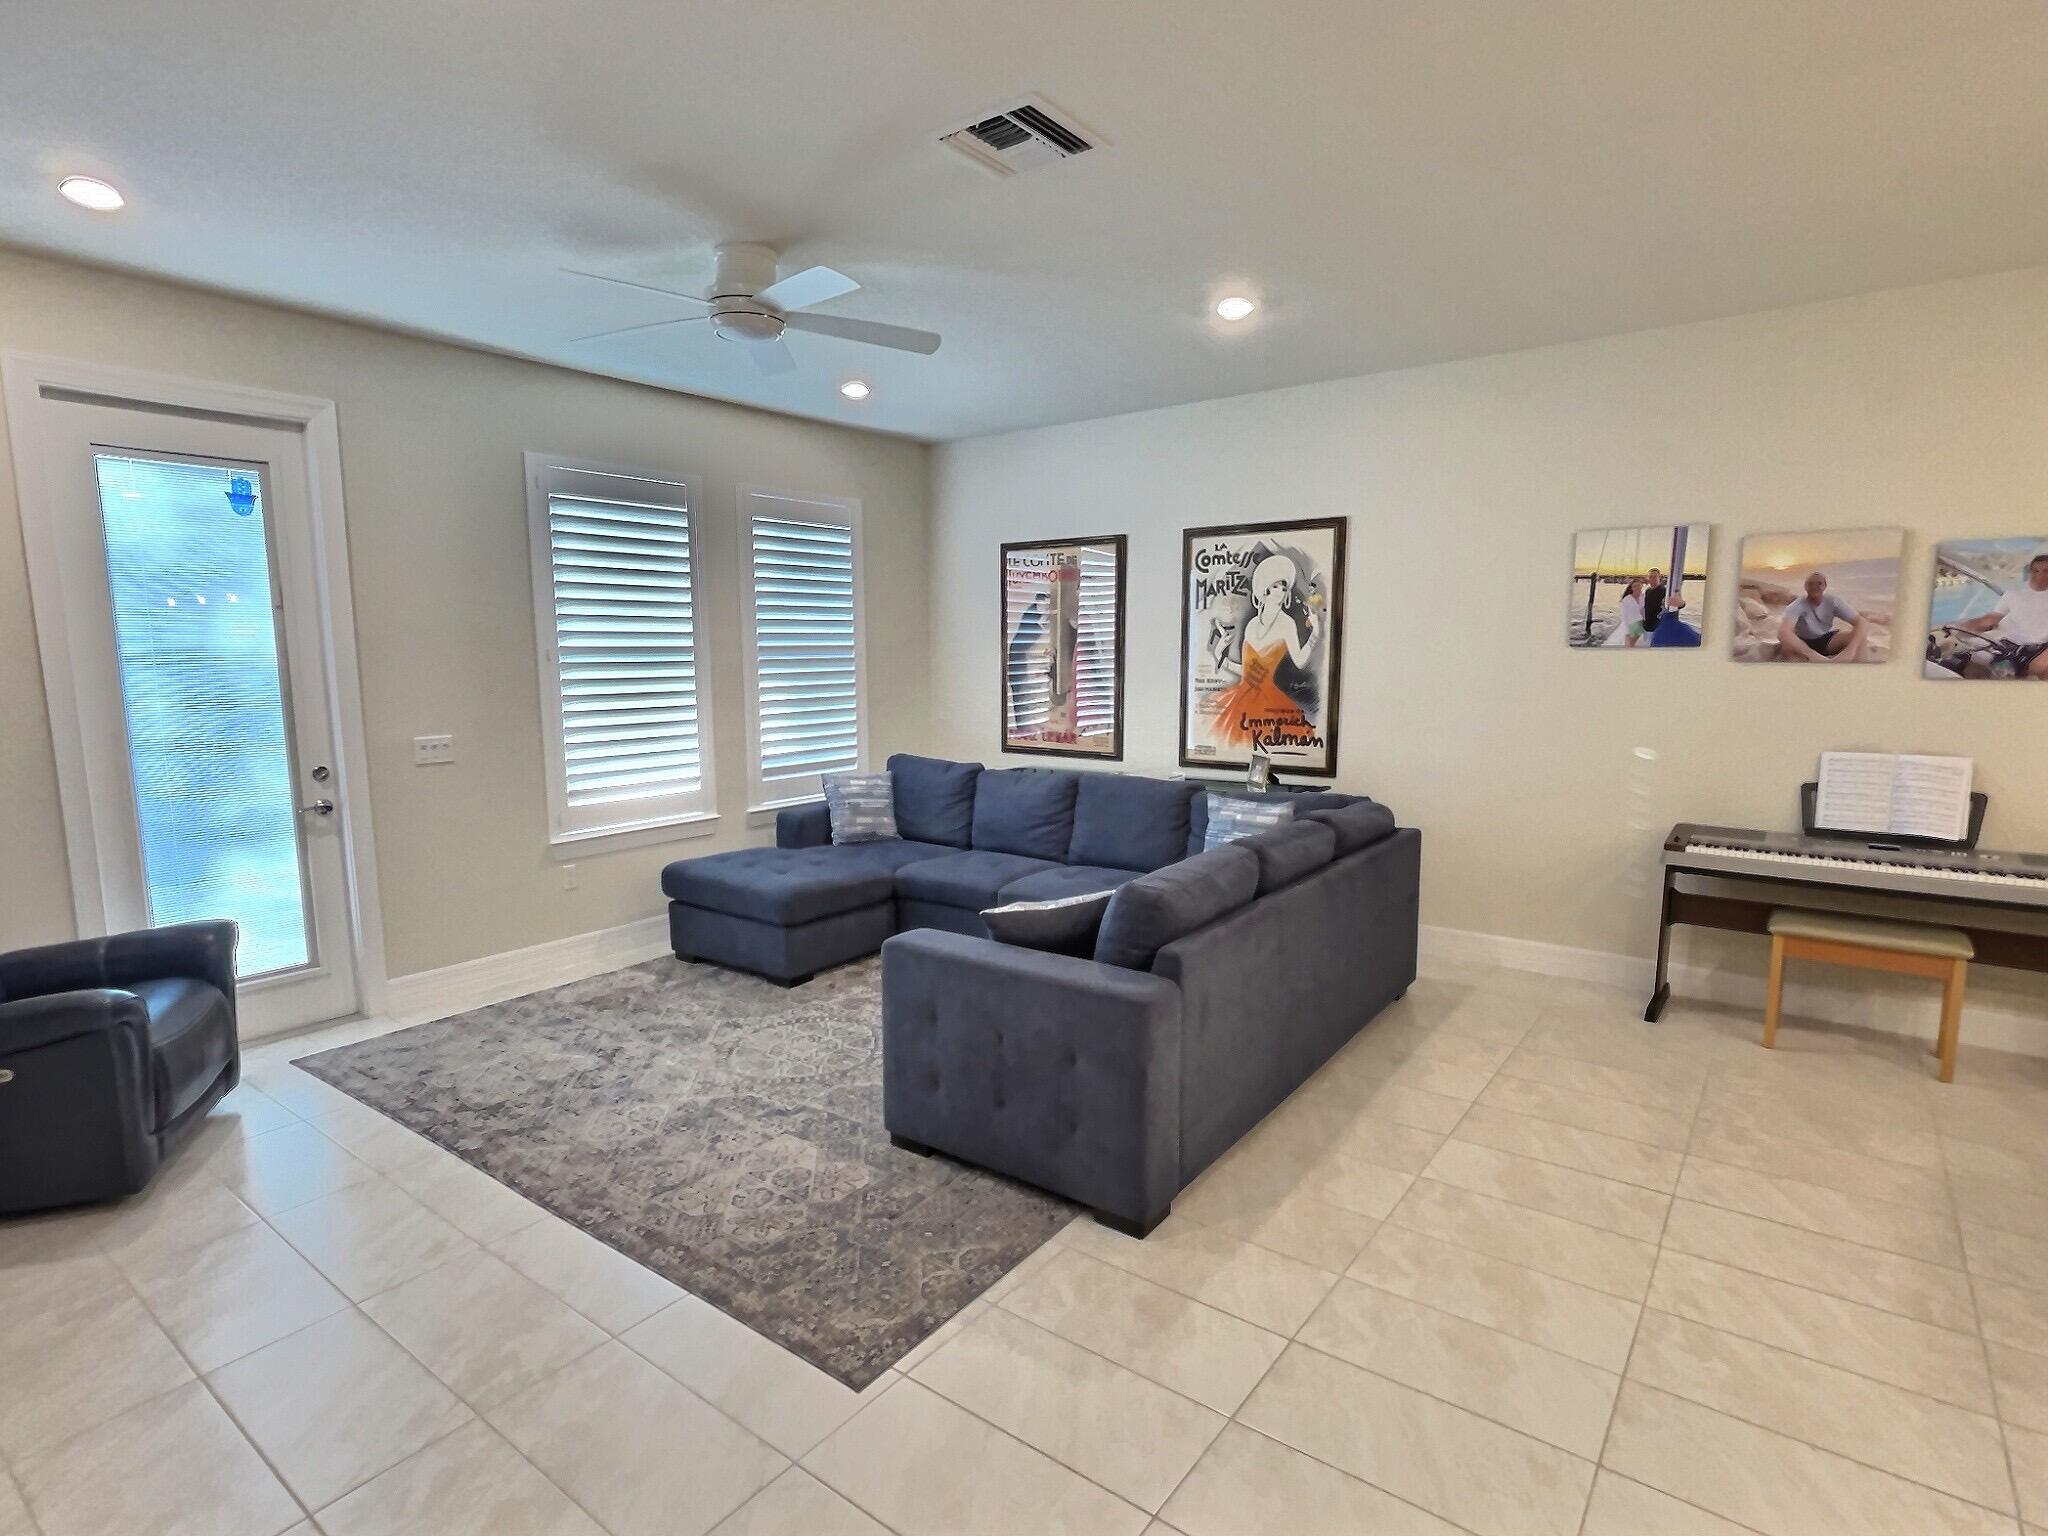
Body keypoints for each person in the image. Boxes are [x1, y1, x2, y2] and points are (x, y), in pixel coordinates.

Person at [1210, 554, 1321, 745]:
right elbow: (1247, 672)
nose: (1280, 591)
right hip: (1240, 701)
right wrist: (1220, 656)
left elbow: (1301, 661)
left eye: (1284, 587)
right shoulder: (1252, 624)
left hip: (1268, 704)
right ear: (1266, 589)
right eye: (1276, 585)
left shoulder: (1287, 623)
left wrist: (1314, 635)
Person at [1952, 548, 2048, 678]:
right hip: (2006, 646)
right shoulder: (2014, 593)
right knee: (1962, 664)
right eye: (2035, 571)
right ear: (2030, 571)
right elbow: (1991, 618)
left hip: (2039, 650)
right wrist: (1962, 626)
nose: (2039, 576)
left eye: (2046, 571)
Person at [1777, 571, 1868, 662]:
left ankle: (1858, 671)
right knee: (1786, 646)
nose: (1814, 586)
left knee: (1859, 638)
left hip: (1827, 640)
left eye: (1819, 583)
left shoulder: (1833, 602)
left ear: (1825, 586)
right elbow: (1783, 632)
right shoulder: (1797, 605)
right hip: (1803, 642)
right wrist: (1812, 655)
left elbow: (1861, 622)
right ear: (1805, 586)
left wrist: (1850, 651)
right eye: (1810, 583)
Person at [1617, 576, 1646, 647]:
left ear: (1642, 586)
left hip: (1642, 623)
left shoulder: (1644, 597)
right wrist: (1627, 630)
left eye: (1639, 585)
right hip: (1631, 623)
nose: (1637, 588)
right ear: (1631, 588)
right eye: (1634, 586)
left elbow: (1645, 611)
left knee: (1632, 644)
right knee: (1630, 644)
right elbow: (1624, 615)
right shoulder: (1627, 599)